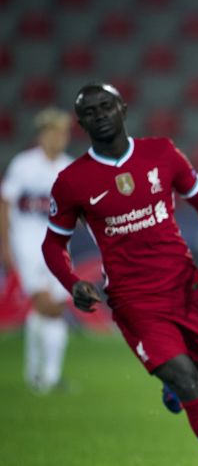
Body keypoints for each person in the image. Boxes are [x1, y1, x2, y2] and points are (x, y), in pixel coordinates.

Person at [42, 83, 198, 465]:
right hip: (135, 303)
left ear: (122, 109)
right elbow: (53, 245)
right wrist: (73, 283)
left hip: (185, 291)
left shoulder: (162, 153)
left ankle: (173, 389)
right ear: (81, 123)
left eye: (106, 106)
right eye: (90, 112)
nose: (100, 115)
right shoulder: (72, 181)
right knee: (189, 383)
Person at [1, 108, 74, 393]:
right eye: (53, 132)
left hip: (58, 246)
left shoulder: (69, 168)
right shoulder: (24, 164)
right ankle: (50, 378)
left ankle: (37, 375)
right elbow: (5, 203)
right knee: (47, 305)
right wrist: (5, 245)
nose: (58, 138)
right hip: (28, 245)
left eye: (62, 133)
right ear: (42, 135)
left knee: (51, 309)